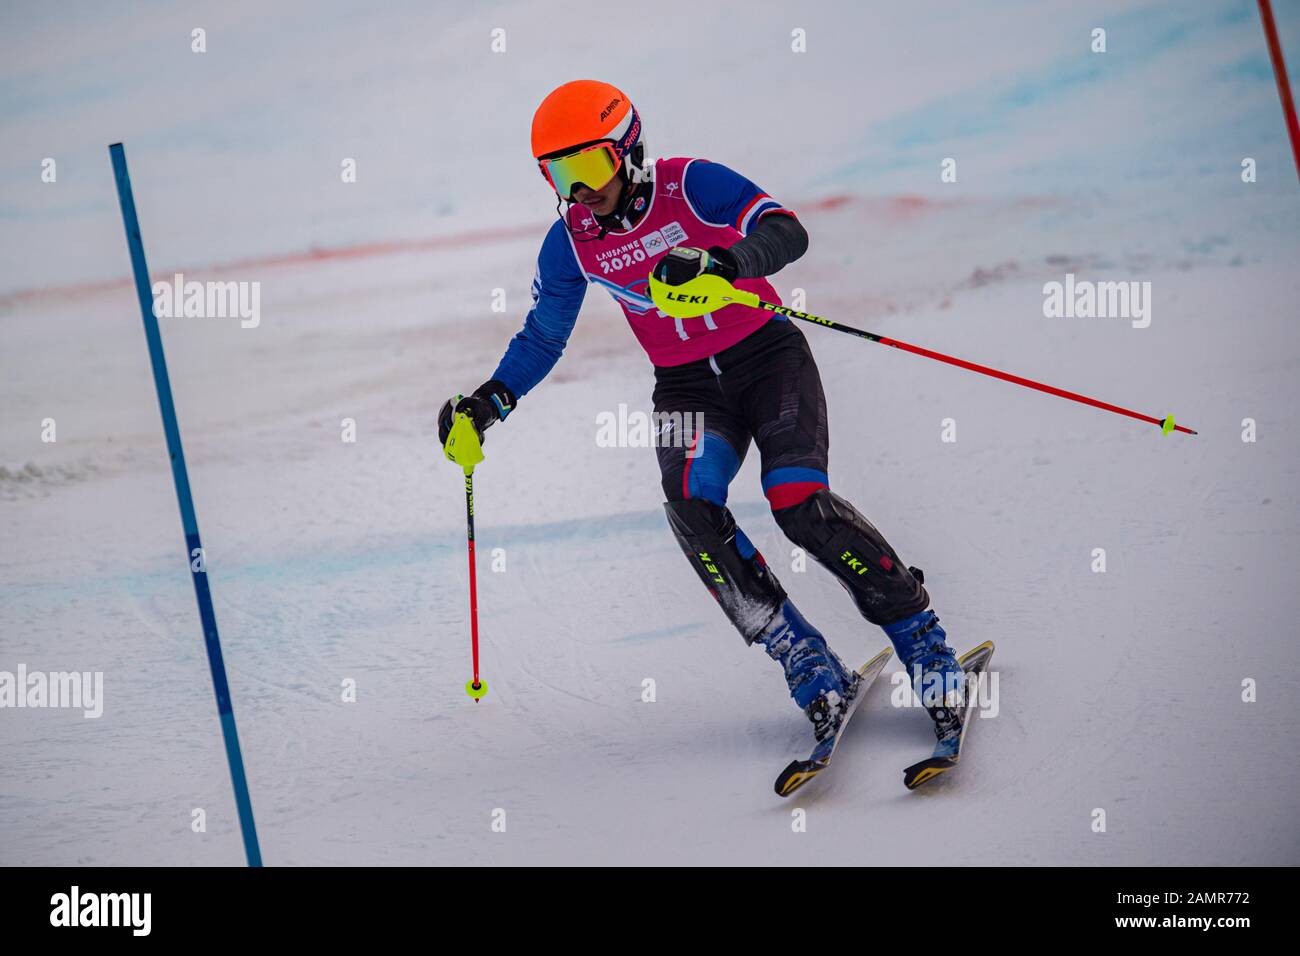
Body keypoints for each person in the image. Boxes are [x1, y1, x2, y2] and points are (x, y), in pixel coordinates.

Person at [439, 80, 964, 746]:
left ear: (628, 150)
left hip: (768, 359)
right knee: (691, 507)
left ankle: (924, 643)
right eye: (559, 174)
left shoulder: (690, 185)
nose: (580, 190)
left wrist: (725, 260)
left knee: (797, 501)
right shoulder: (570, 241)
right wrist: (490, 401)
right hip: (687, 388)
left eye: (590, 167)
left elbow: (786, 232)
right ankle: (805, 661)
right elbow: (544, 335)